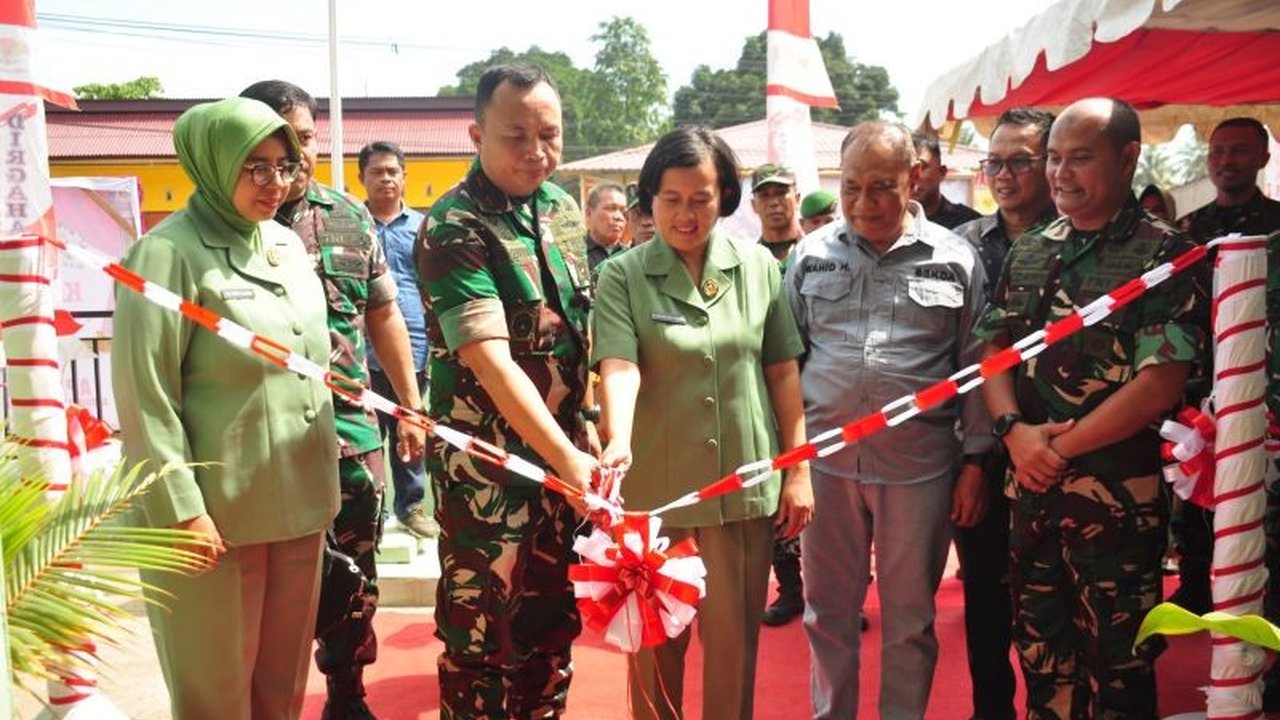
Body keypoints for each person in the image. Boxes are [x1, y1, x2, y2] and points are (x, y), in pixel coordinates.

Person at [974, 98, 1207, 719]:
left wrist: (1051, 451)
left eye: (1080, 158)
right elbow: (994, 351)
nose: (1060, 174)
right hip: (1030, 492)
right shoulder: (1031, 249)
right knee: (1042, 657)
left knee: (1120, 667)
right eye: (1053, 158)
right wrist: (1012, 432)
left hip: (1115, 507)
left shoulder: (1165, 255)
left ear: (1128, 158)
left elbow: (1160, 382)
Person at [114, 96, 338, 720]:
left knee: (282, 687)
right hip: (215, 521)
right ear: (213, 165)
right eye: (255, 167)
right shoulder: (166, 254)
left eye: (285, 166)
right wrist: (183, 511)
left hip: (297, 505)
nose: (275, 183)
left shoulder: (287, 247)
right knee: (214, 693)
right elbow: (146, 399)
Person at [593, 124, 812, 720]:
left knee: (733, 651)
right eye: (671, 199)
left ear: (725, 199)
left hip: (742, 493)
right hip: (656, 503)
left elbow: (782, 372)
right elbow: (620, 364)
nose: (686, 215)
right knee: (655, 658)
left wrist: (798, 471)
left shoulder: (759, 267)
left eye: (701, 199)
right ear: (650, 200)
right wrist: (617, 438)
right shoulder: (623, 276)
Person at [788, 120, 991, 720]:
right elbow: (786, 363)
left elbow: (976, 367)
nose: (863, 203)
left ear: (914, 180)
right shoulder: (809, 255)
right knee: (826, 615)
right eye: (851, 186)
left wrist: (977, 461)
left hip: (920, 469)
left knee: (910, 620)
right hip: (824, 468)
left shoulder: (956, 260)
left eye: (881, 186)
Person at [415, 64, 597, 719]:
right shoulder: (455, 225)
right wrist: (567, 457)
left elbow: (581, 334)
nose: (536, 151)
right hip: (488, 481)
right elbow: (490, 360)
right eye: (515, 135)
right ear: (476, 135)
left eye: (549, 134)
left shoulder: (561, 209)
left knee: (551, 633)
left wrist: (593, 436)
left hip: (564, 475)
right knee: (482, 646)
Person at [240, 79, 425, 720]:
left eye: (306, 138)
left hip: (350, 436)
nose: (293, 153)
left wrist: (410, 404)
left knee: (351, 578)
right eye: (276, 138)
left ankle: (347, 694)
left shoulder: (347, 218)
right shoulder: (230, 224)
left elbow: (384, 315)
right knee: (266, 587)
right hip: (259, 448)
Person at [952, 106, 1057, 720]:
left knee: (1056, 603)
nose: (1005, 174)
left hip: (1060, 446)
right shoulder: (962, 246)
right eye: (995, 162)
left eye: (1022, 161)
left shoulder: (1082, 237)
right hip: (984, 451)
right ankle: (992, 708)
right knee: (986, 597)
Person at [357, 140, 437, 540]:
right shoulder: (351, 226)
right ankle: (371, 510)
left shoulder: (423, 228)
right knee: (367, 438)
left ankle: (412, 507)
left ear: (405, 177)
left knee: (411, 432)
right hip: (359, 354)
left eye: (392, 171)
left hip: (415, 351)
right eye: (377, 171)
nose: (386, 178)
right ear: (362, 179)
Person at [912, 131, 981, 229]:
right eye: (903, 168)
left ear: (942, 172)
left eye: (921, 167)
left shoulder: (970, 224)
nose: (912, 176)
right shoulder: (889, 224)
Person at [752, 163, 804, 262]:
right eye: (764, 195)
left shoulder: (816, 252)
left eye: (781, 193)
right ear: (754, 205)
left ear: (797, 199)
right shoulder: (748, 261)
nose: (773, 202)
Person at [585, 182, 629, 280]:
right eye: (611, 209)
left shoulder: (631, 256)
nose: (619, 217)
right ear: (589, 213)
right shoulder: (575, 255)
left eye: (623, 211)